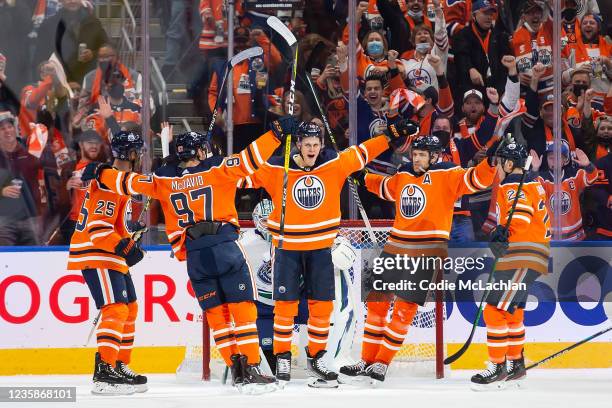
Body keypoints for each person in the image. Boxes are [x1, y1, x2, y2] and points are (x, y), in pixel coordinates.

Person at [82, 120, 293, 394]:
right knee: (242, 309)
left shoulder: (164, 179)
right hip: (224, 246)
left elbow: (128, 182)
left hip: (194, 255)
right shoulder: (219, 167)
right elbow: (251, 157)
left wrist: (101, 172)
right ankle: (251, 367)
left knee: (217, 316)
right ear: (201, 151)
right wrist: (275, 133)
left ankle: (236, 368)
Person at [240, 119, 418, 387]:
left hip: (321, 247)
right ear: (298, 144)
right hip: (287, 247)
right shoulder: (277, 167)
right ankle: (283, 355)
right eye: (307, 144)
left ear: (321, 144)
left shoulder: (333, 163)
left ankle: (317, 356)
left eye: (316, 144)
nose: (312, 149)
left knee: (322, 306)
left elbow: (363, 152)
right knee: (285, 307)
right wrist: (274, 135)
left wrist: (391, 134)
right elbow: (241, 172)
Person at [340, 134, 497, 384]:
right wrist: (361, 177)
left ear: (435, 156)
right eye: (415, 154)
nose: (416, 158)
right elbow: (384, 187)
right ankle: (366, 360)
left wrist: (489, 162)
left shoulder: (448, 175)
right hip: (395, 247)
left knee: (404, 311)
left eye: (422, 154)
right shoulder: (403, 176)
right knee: (377, 306)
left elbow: (477, 179)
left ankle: (381, 363)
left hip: (427, 251)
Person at [67, 131, 147, 395]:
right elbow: (98, 230)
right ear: (133, 154)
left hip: (110, 255)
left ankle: (119, 365)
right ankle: (104, 373)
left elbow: (111, 225)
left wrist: (127, 233)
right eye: (138, 151)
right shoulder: (110, 183)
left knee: (130, 309)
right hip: (97, 253)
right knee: (115, 310)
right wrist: (125, 246)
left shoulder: (116, 181)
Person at [241, 199, 357, 372]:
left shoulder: (298, 236)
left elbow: (347, 253)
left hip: (298, 299)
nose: (273, 225)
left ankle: (328, 360)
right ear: (256, 220)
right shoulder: (245, 243)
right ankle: (277, 363)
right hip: (264, 306)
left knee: (329, 317)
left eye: (279, 219)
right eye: (266, 220)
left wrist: (340, 246)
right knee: (268, 365)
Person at [471, 141, 551, 390]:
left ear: (508, 163)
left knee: (493, 309)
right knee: (512, 311)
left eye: (499, 163)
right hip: (535, 253)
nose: (497, 169)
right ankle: (516, 364)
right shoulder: (533, 183)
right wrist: (499, 231)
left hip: (520, 253)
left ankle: (498, 366)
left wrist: (502, 232)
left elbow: (521, 217)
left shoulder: (510, 185)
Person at [530, 145, 598, 241]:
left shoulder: (574, 175)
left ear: (565, 160)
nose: (554, 160)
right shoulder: (542, 178)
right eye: (550, 158)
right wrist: (534, 170)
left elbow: (593, 178)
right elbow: (530, 189)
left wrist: (588, 165)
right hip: (550, 237)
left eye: (557, 157)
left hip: (576, 235)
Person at [34, 0, 108, 85]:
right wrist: (63, 84)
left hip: (88, 85)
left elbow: (107, 48)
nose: (72, 1)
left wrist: (93, 54)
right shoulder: (49, 26)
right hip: (58, 87)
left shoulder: (93, 22)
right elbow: (40, 60)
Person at [0, 111, 42, 245]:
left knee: (34, 260)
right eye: (2, 128)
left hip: (31, 218)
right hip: (4, 220)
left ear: (15, 128)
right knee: (5, 261)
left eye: (9, 127)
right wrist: (2, 192)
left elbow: (46, 175)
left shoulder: (29, 150)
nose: (7, 131)